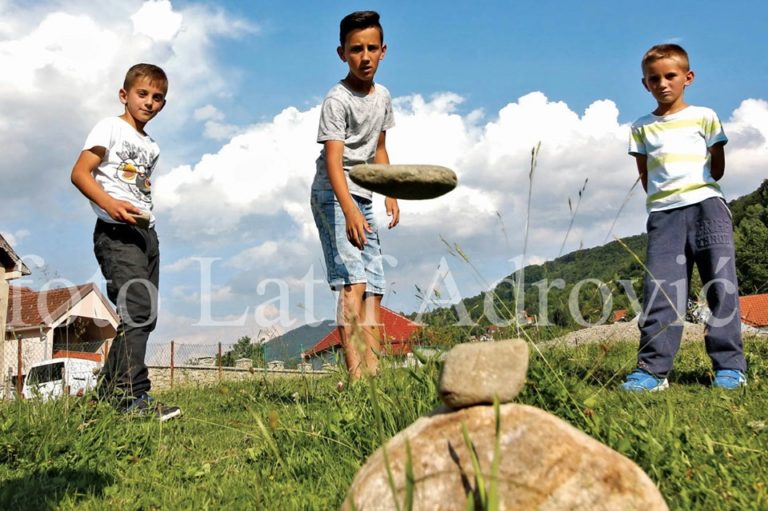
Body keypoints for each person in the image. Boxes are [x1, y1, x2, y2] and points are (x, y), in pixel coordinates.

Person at [622, 44, 747, 391]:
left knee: (720, 286)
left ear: (687, 78)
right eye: (653, 79)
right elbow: (645, 174)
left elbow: (716, 165)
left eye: (670, 76)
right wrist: (666, 200)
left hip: (707, 206)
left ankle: (730, 367)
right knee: (660, 290)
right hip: (664, 216)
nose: (662, 83)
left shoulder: (704, 116)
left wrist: (698, 187)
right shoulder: (641, 128)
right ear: (645, 84)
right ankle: (652, 371)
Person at [71, 63, 181, 420]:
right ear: (125, 95)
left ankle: (107, 395)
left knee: (143, 317)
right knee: (138, 310)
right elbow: (80, 173)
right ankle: (132, 398)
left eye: (158, 98)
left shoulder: (152, 146)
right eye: (142, 94)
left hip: (146, 235)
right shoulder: (110, 127)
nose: (150, 102)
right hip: (115, 233)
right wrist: (110, 204)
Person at [310, 11, 400, 380]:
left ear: (383, 51)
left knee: (375, 289)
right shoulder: (337, 99)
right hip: (334, 195)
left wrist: (391, 191)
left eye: (371, 48)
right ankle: (357, 379)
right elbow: (334, 161)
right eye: (356, 49)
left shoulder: (383, 97)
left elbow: (379, 149)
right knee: (354, 284)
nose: (365, 56)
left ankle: (376, 380)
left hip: (364, 196)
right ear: (342, 53)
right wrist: (348, 210)